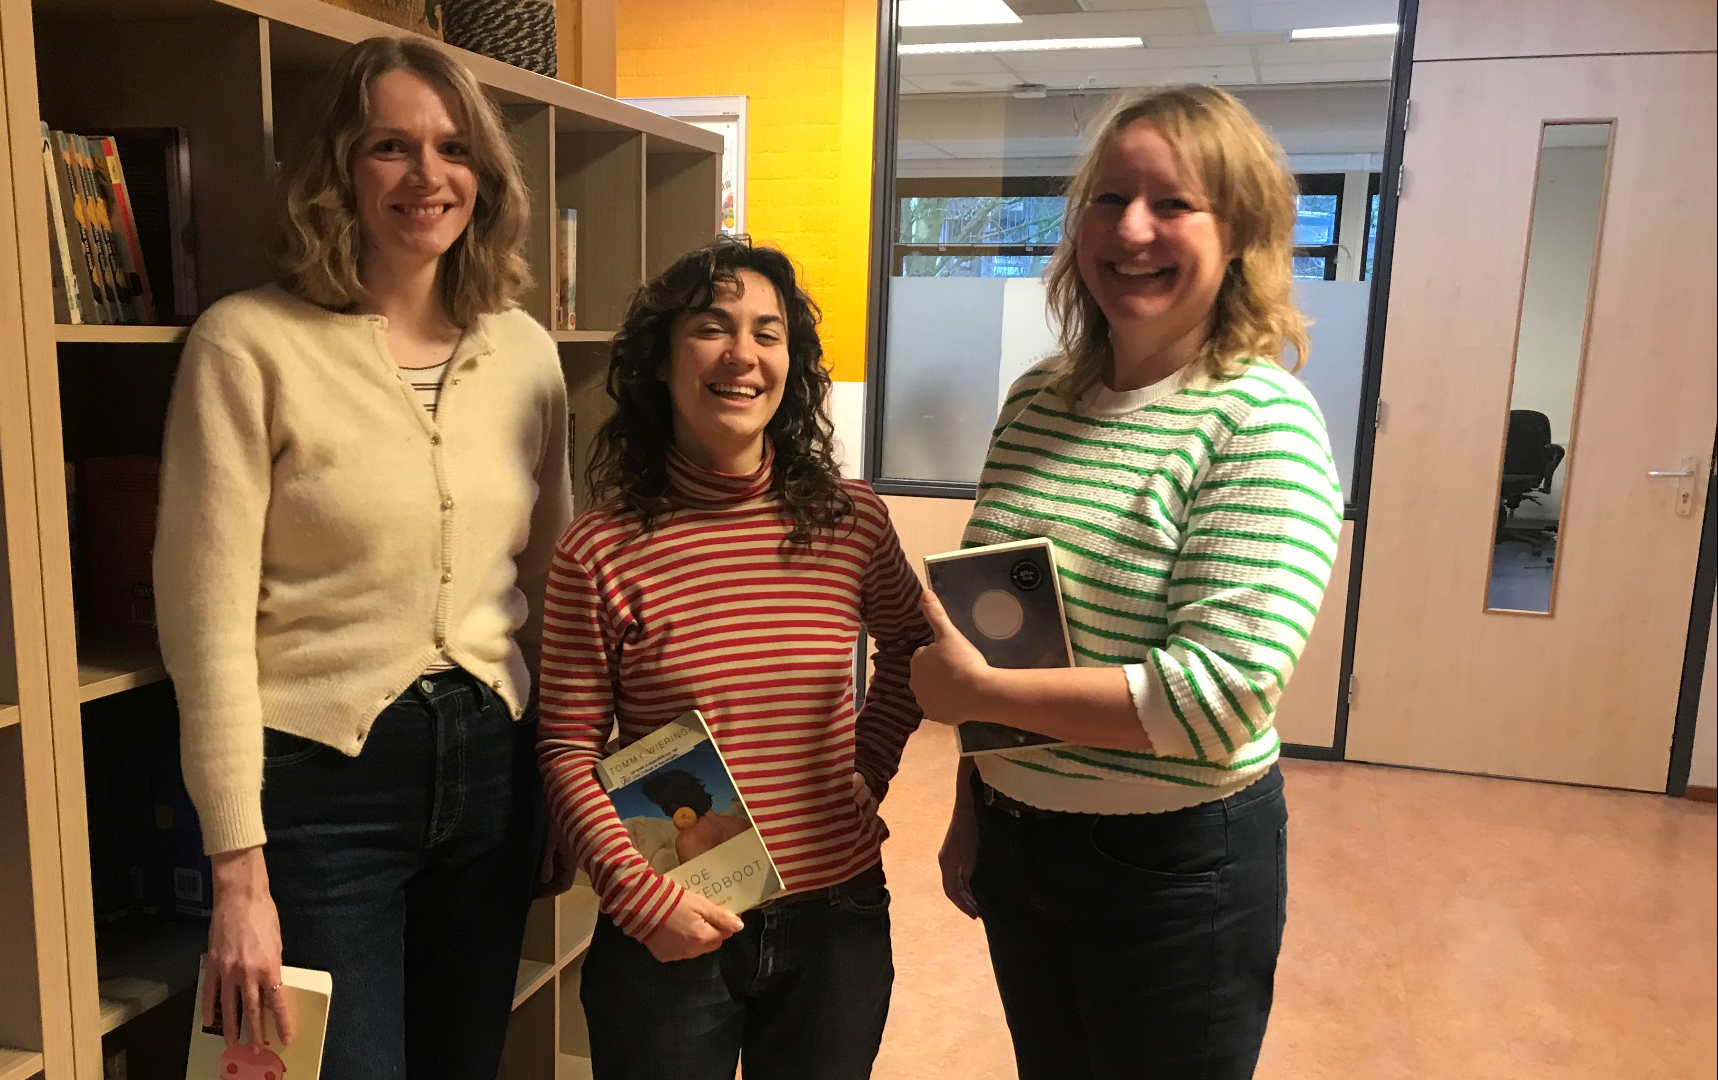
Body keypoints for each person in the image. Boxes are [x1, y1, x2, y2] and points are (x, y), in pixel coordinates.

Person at [152, 35, 572, 1079]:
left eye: (453, 147)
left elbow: (553, 580)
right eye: (392, 146)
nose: (429, 178)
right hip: (318, 788)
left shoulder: (524, 349)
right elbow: (203, 630)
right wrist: (237, 876)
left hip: (494, 768)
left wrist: (565, 776)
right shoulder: (246, 344)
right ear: (339, 166)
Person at [910, 85, 1345, 1080]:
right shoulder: (1037, 401)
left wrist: (977, 698)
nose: (1131, 230)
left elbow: (1221, 697)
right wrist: (978, 805)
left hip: (1172, 869)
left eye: (1172, 203)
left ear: (1237, 233)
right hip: (1025, 842)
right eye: (1108, 200)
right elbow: (1006, 622)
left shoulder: (1257, 423)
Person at [535, 238, 932, 1080]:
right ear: (663, 360)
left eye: (768, 331)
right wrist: (638, 896)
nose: (742, 355)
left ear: (792, 361)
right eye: (713, 328)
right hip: (671, 915)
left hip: (837, 919)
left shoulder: (851, 522)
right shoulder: (598, 548)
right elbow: (566, 748)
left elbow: (910, 646)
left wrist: (871, 763)